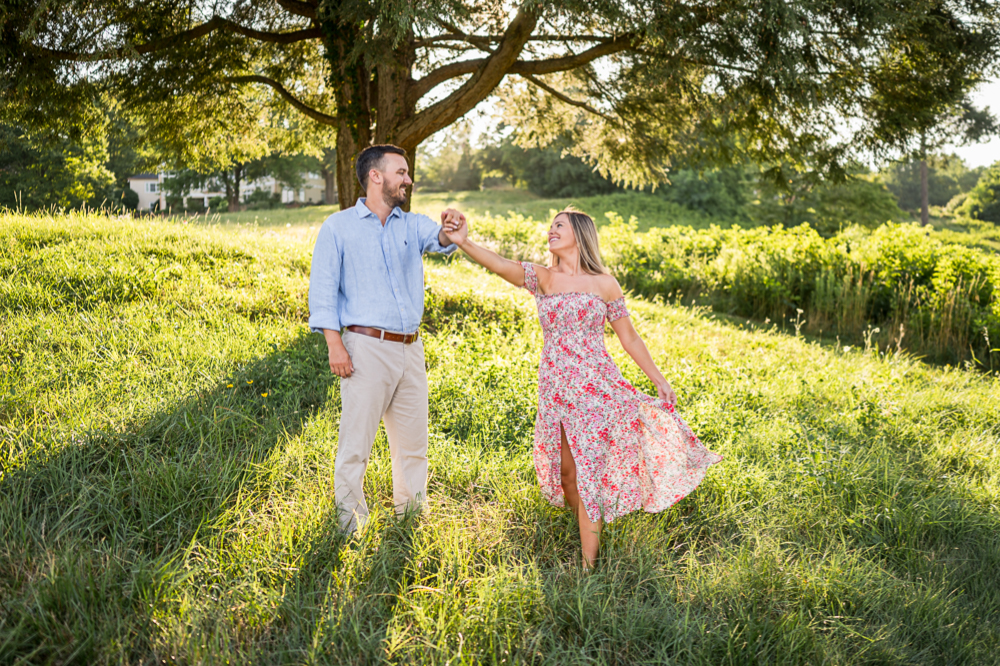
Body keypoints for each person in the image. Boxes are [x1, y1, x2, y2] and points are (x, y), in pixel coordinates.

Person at [442, 208, 721, 568]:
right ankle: (586, 526)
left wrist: (659, 380)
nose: (551, 230)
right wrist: (464, 242)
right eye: (550, 226)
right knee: (567, 474)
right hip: (556, 388)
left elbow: (629, 337)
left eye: (559, 225)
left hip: (596, 388)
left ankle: (588, 570)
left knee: (587, 473)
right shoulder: (543, 278)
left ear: (580, 233)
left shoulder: (605, 284)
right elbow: (499, 264)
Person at [309, 144, 466, 533]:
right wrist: (334, 345)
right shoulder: (338, 226)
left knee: (413, 445)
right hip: (365, 349)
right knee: (356, 446)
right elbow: (323, 290)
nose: (408, 180)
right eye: (401, 172)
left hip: (411, 350)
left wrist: (452, 226)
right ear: (376, 176)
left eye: (407, 173)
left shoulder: (412, 225)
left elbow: (442, 241)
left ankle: (410, 519)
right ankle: (350, 526)